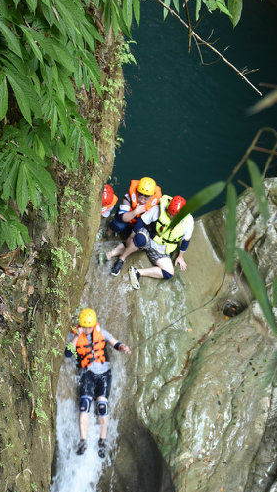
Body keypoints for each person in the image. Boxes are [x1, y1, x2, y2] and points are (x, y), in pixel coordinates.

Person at [65, 308, 130, 458]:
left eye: (89, 327)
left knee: (102, 405)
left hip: (104, 375)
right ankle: (83, 440)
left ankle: (102, 440)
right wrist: (77, 335)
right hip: (87, 374)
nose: (88, 330)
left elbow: (115, 343)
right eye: (85, 327)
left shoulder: (101, 332)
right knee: (84, 406)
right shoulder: (75, 335)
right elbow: (68, 354)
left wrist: (123, 347)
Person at [122, 194, 194, 287]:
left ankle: (137, 272)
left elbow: (186, 240)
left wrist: (180, 256)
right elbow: (142, 220)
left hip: (162, 250)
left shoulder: (188, 221)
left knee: (169, 273)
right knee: (137, 240)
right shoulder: (159, 209)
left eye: (173, 215)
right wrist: (132, 235)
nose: (170, 216)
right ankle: (115, 256)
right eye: (169, 213)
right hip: (149, 238)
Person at [105, 175, 162, 268]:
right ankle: (108, 233)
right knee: (117, 224)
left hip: (139, 226)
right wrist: (135, 212)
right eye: (140, 195)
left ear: (151, 196)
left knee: (139, 240)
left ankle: (115, 254)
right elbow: (122, 217)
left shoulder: (157, 202)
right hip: (128, 221)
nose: (142, 200)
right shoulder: (129, 197)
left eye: (146, 197)